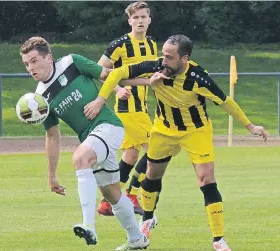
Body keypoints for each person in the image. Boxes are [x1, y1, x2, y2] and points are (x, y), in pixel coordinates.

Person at [84, 34, 268, 251]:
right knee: (152, 175)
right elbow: (117, 73)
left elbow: (226, 102)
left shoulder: (199, 78)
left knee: (206, 179)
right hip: (163, 130)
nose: (163, 60)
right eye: (163, 54)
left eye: (169, 57)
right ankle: (148, 220)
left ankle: (219, 240)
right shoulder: (157, 67)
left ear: (184, 58)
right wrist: (100, 100)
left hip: (195, 131)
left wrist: (250, 126)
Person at [20, 36, 150, 250]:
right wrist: (51, 175)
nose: (30, 68)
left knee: (81, 158)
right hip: (94, 140)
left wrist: (116, 91)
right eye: (26, 64)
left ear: (49, 58)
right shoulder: (40, 99)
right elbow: (52, 136)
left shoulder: (71, 62)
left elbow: (107, 75)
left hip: (109, 126)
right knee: (112, 194)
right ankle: (137, 239)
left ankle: (89, 225)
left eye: (34, 61)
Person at [97, 1, 158, 216]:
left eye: (143, 17)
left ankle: (107, 202)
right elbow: (99, 69)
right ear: (129, 20)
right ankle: (131, 193)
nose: (140, 21)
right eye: (136, 18)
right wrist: (117, 89)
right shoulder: (120, 44)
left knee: (130, 156)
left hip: (142, 107)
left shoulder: (152, 44)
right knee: (156, 152)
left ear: (149, 19)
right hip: (128, 108)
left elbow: (150, 76)